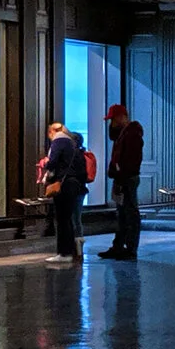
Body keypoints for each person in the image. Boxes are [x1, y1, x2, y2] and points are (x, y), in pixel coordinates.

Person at [37, 119, 88, 261]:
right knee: (69, 218)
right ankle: (70, 251)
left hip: (64, 184)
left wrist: (46, 162)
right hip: (75, 184)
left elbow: (52, 162)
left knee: (62, 219)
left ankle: (63, 253)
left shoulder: (59, 142)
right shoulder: (71, 143)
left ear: (52, 131)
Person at [98, 101, 144, 259]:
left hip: (127, 178)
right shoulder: (123, 133)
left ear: (122, 117)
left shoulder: (132, 134)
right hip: (122, 178)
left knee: (130, 214)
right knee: (123, 214)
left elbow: (131, 159)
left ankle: (130, 249)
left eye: (114, 119)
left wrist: (120, 174)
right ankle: (119, 246)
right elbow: (113, 137)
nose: (112, 123)